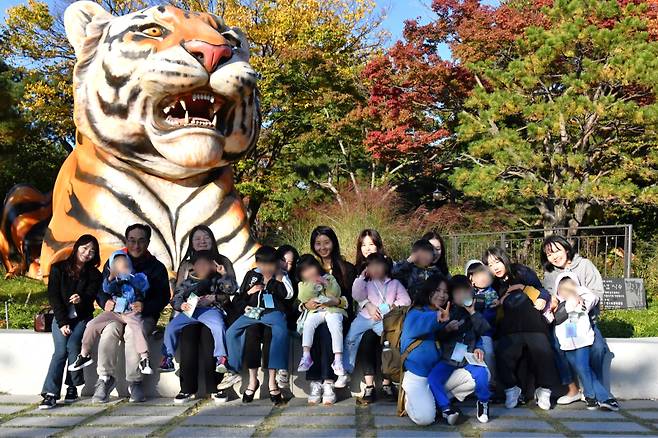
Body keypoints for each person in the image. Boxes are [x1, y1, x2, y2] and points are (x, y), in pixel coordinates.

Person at [93, 224, 170, 404]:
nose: (136, 245)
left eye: (141, 241)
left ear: (148, 242)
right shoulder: (114, 261)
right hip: (117, 314)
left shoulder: (156, 267)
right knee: (109, 331)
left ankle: (134, 381)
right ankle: (105, 379)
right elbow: (101, 289)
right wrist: (105, 302)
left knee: (132, 333)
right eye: (132, 240)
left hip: (143, 316)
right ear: (126, 241)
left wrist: (145, 306)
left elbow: (163, 296)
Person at [484, 246, 559, 411]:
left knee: (542, 351)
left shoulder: (521, 271)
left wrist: (536, 295)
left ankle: (544, 390)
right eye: (490, 265)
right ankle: (512, 389)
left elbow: (542, 292)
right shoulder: (493, 284)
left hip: (533, 323)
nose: (495, 267)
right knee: (505, 353)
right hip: (509, 327)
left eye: (497, 261)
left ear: (504, 259)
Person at [541, 234, 612, 405]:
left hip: (585, 321)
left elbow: (597, 292)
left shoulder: (585, 265)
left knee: (597, 348)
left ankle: (593, 389)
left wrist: (580, 299)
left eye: (557, 251)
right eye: (549, 254)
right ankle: (572, 389)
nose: (554, 257)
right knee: (557, 347)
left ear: (566, 249)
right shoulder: (549, 273)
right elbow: (549, 296)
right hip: (563, 323)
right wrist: (553, 301)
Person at [217, 246, 290, 405]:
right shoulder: (251, 275)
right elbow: (240, 296)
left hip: (272, 313)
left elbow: (289, 294)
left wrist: (276, 280)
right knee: (232, 332)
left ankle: (280, 371)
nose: (266, 267)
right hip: (252, 313)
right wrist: (250, 294)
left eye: (270, 264)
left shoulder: (280, 275)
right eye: (262, 264)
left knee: (280, 330)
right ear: (257, 263)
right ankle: (233, 369)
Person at [400, 275, 476, 426]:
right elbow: (421, 323)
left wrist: (446, 328)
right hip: (418, 376)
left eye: (445, 291)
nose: (442, 295)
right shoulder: (416, 312)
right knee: (425, 419)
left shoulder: (447, 314)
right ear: (428, 291)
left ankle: (434, 400)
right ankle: (411, 401)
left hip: (436, 375)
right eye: (437, 290)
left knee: (473, 379)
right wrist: (438, 317)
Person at [39, 235, 102, 410]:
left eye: (92, 251)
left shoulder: (94, 275)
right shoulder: (58, 269)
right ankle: (50, 394)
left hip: (82, 318)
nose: (87, 253)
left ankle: (72, 386)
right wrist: (62, 322)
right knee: (60, 352)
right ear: (76, 248)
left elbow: (90, 297)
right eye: (84, 248)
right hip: (61, 318)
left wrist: (80, 299)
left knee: (73, 346)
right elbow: (54, 297)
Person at [339, 252, 410, 403]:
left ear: (386, 266)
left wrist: (393, 306)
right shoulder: (365, 282)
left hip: (384, 321)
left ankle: (390, 379)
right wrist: (360, 278)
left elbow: (406, 300)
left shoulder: (394, 284)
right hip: (365, 317)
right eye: (371, 266)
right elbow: (356, 295)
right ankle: (346, 369)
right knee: (351, 337)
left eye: (378, 265)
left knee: (389, 344)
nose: (375, 269)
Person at [69, 251, 152, 375]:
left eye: (125, 265)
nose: (123, 269)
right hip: (116, 312)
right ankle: (84, 354)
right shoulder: (115, 282)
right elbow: (106, 289)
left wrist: (131, 278)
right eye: (118, 266)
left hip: (131, 312)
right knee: (92, 324)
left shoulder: (137, 278)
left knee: (138, 327)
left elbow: (144, 289)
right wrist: (112, 277)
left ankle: (144, 358)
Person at [161, 251, 237, 376]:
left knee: (218, 326)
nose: (203, 268)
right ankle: (167, 358)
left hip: (211, 311)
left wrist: (224, 274)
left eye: (206, 265)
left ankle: (221, 358)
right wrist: (181, 305)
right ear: (193, 266)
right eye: (199, 265)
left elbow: (232, 289)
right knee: (171, 327)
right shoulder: (186, 283)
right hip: (190, 311)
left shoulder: (216, 280)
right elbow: (176, 298)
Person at [428, 275, 491, 425]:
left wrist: (473, 313)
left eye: (466, 291)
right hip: (448, 359)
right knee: (433, 378)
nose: (463, 296)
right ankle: (445, 407)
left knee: (482, 373)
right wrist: (447, 329)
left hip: (468, 357)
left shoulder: (475, 312)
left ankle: (483, 402)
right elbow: (438, 336)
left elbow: (483, 330)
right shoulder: (447, 312)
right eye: (458, 292)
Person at [552, 273, 620, 411]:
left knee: (583, 367)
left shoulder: (583, 299)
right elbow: (548, 318)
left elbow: (593, 298)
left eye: (571, 286)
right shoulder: (556, 305)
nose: (567, 290)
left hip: (583, 342)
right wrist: (553, 304)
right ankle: (590, 397)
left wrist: (578, 293)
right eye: (562, 288)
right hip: (566, 345)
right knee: (581, 368)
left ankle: (605, 398)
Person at [305, 226, 357, 405]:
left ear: (334, 243)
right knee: (314, 328)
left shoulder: (346, 268)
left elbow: (352, 299)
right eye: (318, 243)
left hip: (339, 314)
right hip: (315, 313)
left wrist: (337, 302)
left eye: (326, 242)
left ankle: (327, 382)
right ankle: (315, 382)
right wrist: (305, 304)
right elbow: (301, 294)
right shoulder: (310, 267)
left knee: (327, 329)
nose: (322, 247)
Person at [296, 255, 346, 376]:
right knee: (308, 324)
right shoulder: (303, 284)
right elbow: (303, 297)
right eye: (305, 271)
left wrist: (326, 283)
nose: (309, 272)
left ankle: (338, 359)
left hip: (332, 310)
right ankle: (306, 355)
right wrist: (312, 285)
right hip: (316, 311)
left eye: (311, 267)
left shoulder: (329, 277)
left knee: (335, 326)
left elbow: (336, 292)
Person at [465, 260, 499, 376]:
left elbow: (491, 316)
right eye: (478, 275)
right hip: (469, 330)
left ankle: (492, 378)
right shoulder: (468, 292)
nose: (483, 278)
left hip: (485, 332)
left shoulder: (493, 294)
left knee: (488, 352)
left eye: (485, 274)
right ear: (471, 279)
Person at [175, 324, 223, 404]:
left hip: (210, 316)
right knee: (188, 334)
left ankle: (215, 386)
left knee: (210, 336)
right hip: (190, 317)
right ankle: (187, 388)